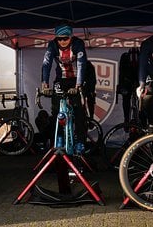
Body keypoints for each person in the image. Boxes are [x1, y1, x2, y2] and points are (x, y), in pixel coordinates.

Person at [41, 23, 87, 194]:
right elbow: (46, 64)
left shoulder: (78, 44)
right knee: (56, 112)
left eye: (65, 38)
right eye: (59, 39)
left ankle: (81, 142)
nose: (62, 42)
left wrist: (79, 85)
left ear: (71, 36)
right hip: (61, 79)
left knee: (79, 111)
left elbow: (82, 64)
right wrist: (44, 83)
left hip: (77, 78)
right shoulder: (52, 45)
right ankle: (57, 141)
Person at [117, 47, 140, 124]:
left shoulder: (125, 56)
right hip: (132, 81)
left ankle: (127, 119)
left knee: (127, 100)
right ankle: (127, 118)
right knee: (127, 99)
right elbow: (121, 72)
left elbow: (121, 73)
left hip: (131, 81)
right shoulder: (125, 57)